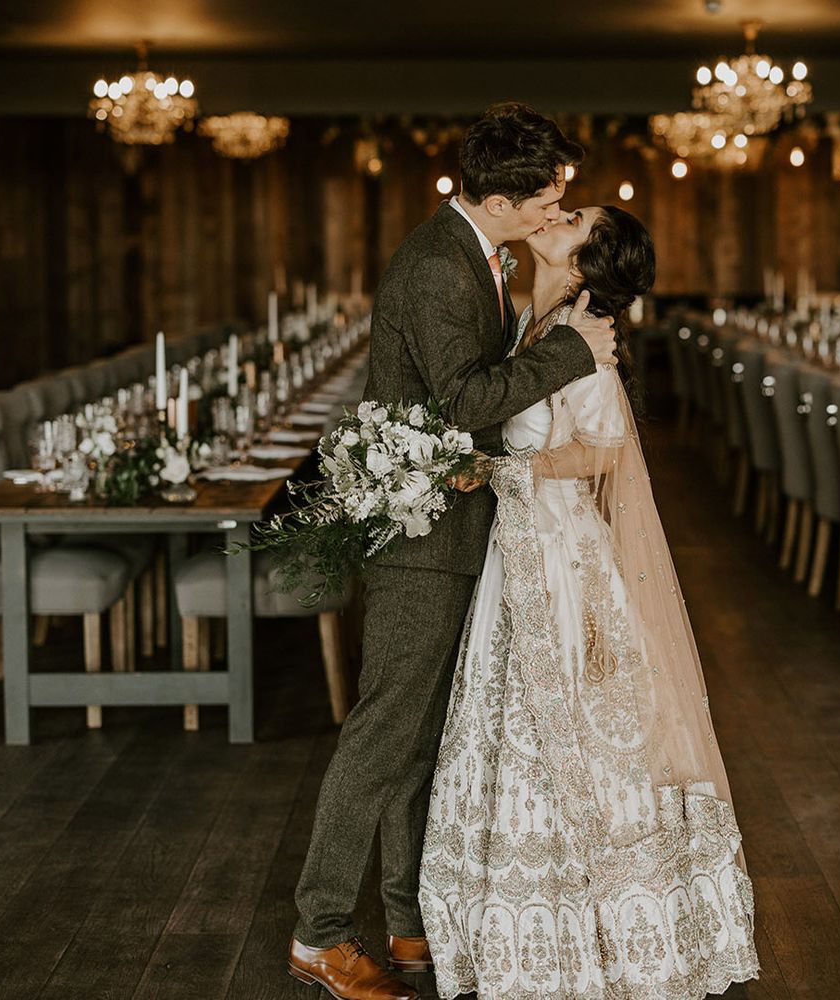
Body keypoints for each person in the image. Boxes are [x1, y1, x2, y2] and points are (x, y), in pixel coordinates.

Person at [287, 104, 617, 1000]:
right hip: (421, 540)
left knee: (423, 739)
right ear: (507, 199)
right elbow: (466, 399)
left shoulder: (482, 255)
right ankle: (319, 934)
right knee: (385, 733)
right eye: (553, 192)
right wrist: (572, 354)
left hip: (462, 523)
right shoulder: (440, 266)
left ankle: (406, 924)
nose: (560, 205)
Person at [418, 206, 760, 998]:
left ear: (587, 258)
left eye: (572, 218)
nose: (554, 214)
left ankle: (598, 928)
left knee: (568, 719)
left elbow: (603, 452)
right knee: (515, 716)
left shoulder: (585, 331)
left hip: (560, 550)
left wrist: (503, 472)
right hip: (521, 544)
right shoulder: (535, 320)